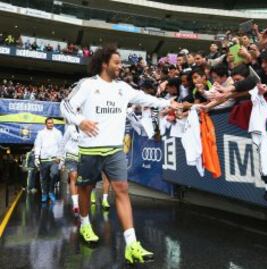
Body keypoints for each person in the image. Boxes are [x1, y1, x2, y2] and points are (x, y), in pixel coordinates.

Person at [60, 44, 180, 264]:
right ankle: (85, 225)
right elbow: (65, 106)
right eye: (116, 62)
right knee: (85, 189)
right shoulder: (87, 85)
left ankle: (131, 244)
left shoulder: (123, 88)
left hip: (114, 149)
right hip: (89, 149)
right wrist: (80, 121)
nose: (120, 66)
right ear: (104, 63)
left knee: (122, 190)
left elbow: (146, 99)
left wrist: (170, 103)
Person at [34, 117, 63, 203]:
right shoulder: (41, 133)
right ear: (45, 124)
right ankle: (44, 194)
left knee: (54, 174)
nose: (51, 124)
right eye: (49, 123)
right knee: (44, 178)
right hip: (44, 159)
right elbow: (38, 145)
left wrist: (60, 158)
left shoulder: (58, 133)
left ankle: (51, 192)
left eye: (52, 123)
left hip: (54, 159)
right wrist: (36, 157)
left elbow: (61, 145)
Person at [61, 123, 80, 214]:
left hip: (82, 157)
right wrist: (61, 159)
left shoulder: (87, 127)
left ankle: (76, 198)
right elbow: (63, 142)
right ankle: (75, 204)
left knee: (78, 180)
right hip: (70, 156)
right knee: (74, 176)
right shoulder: (70, 128)